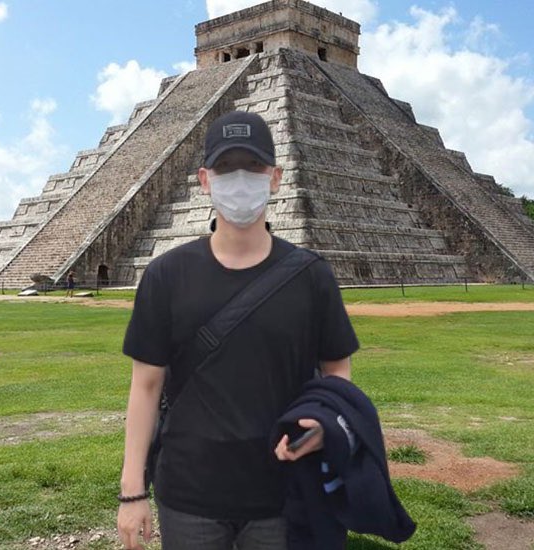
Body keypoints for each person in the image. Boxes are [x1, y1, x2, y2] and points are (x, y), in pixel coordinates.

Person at [117, 110, 359, 550]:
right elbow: (146, 388)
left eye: (254, 167)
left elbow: (338, 373)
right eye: (227, 169)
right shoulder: (166, 275)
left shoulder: (312, 277)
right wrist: (133, 492)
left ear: (275, 177)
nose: (240, 180)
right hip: (189, 494)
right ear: (205, 180)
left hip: (283, 492)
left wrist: (328, 426)